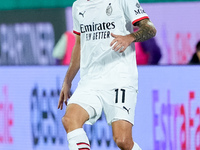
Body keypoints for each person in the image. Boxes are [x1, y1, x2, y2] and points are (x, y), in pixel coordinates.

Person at [57, 0, 156, 149]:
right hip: (90, 80)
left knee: (123, 140)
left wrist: (130, 38)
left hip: (120, 78)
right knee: (70, 119)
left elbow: (150, 28)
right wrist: (68, 80)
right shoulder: (78, 6)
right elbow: (79, 45)